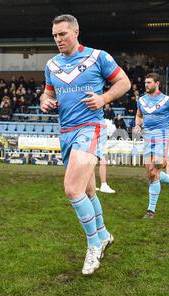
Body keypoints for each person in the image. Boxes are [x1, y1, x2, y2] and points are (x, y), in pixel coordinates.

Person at [40, 14, 131, 275]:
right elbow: (47, 91)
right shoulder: (52, 64)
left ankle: (93, 246)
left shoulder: (98, 56)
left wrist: (103, 98)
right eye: (55, 35)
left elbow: (123, 82)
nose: (58, 39)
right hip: (66, 132)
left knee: (71, 188)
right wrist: (46, 100)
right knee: (88, 190)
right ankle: (104, 235)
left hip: (90, 128)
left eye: (63, 34)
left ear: (76, 32)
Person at [134, 72, 169, 218]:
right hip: (147, 138)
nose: (146, 85)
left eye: (149, 82)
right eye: (145, 82)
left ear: (157, 84)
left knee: (155, 171)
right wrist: (138, 125)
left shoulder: (168, 101)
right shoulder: (142, 100)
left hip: (163, 137)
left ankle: (151, 210)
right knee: (151, 174)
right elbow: (139, 115)